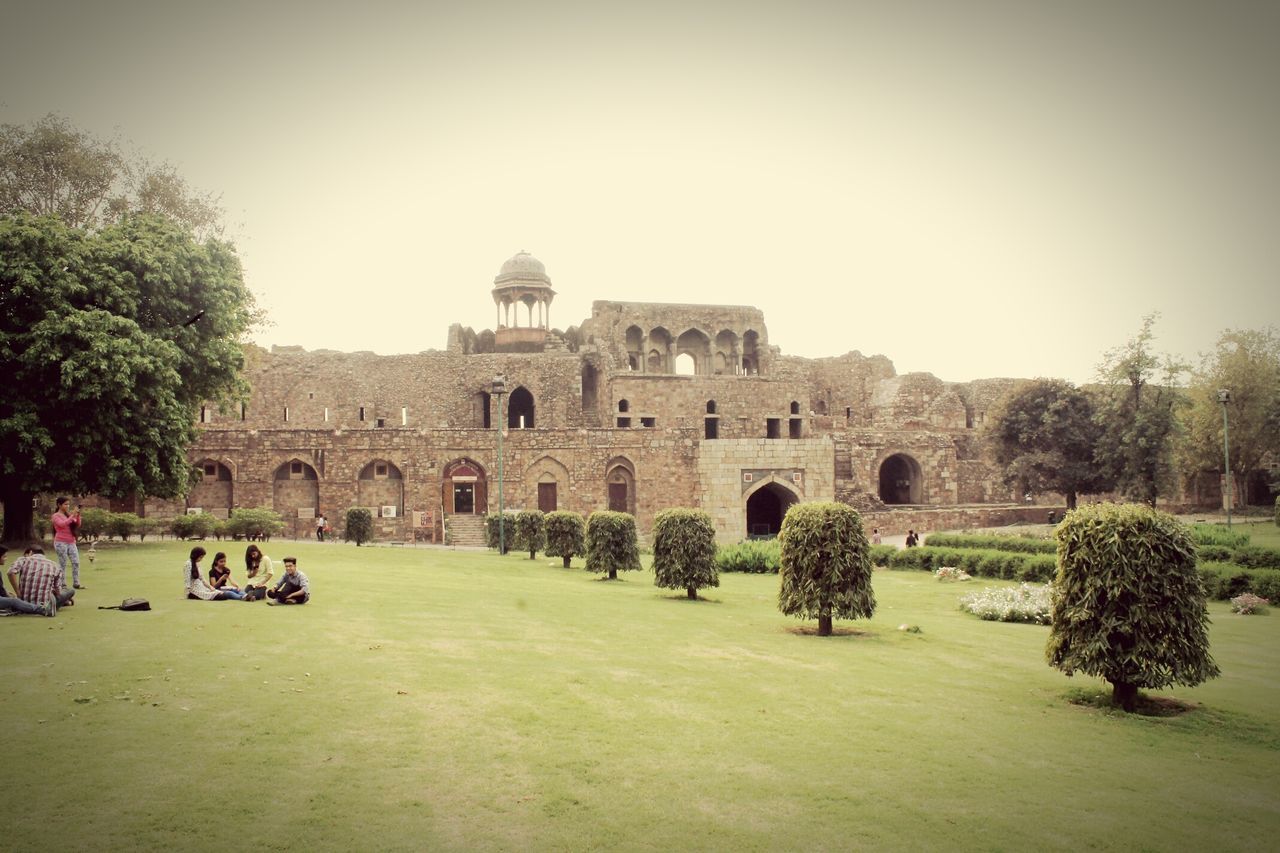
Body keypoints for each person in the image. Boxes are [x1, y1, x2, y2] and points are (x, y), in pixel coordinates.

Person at [4, 546, 74, 616]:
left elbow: (10, 572)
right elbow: (58, 592)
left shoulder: (23, 560)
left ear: (30, 552)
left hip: (23, 603)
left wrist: (18, 592)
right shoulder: (55, 565)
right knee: (70, 591)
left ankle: (63, 602)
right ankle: (62, 602)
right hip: (44, 604)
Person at [51, 496, 84, 589]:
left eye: (68, 504)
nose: (67, 506)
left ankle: (76, 583)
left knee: (76, 562)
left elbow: (77, 524)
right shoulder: (56, 516)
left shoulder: (68, 515)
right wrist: (72, 515)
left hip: (71, 542)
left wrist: (77, 515)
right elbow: (62, 524)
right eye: (65, 504)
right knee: (63, 563)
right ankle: (62, 584)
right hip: (61, 542)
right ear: (59, 505)